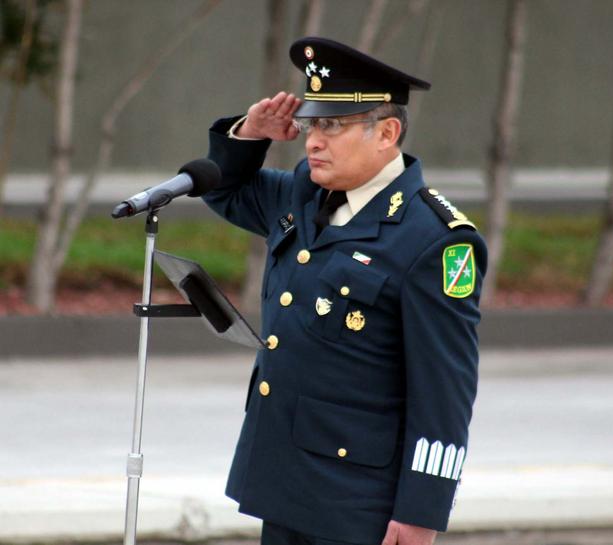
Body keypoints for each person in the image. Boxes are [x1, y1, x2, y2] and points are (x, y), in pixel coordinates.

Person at [202, 37, 487, 545]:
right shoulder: (302, 193)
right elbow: (223, 189)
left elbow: (444, 390)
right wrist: (249, 134)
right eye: (312, 125)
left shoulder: (435, 240)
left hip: (359, 503)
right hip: (282, 481)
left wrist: (422, 510)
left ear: (387, 133)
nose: (312, 141)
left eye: (332, 126)